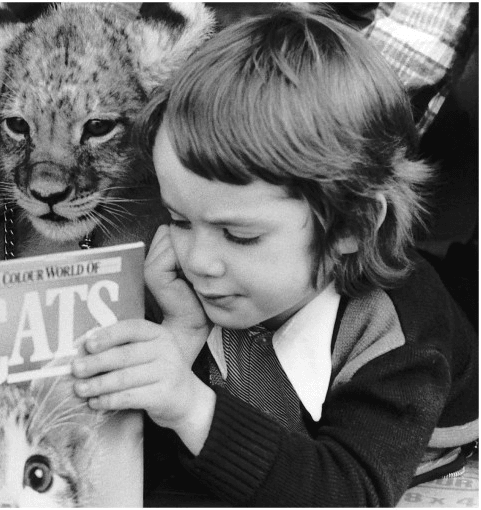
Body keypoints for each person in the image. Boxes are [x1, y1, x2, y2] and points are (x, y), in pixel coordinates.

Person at [70, 9, 478, 506]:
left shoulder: (398, 341)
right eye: (179, 220)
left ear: (351, 227)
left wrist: (191, 405)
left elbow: (348, 493)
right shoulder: (191, 285)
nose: (199, 261)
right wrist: (180, 336)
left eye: (239, 235)